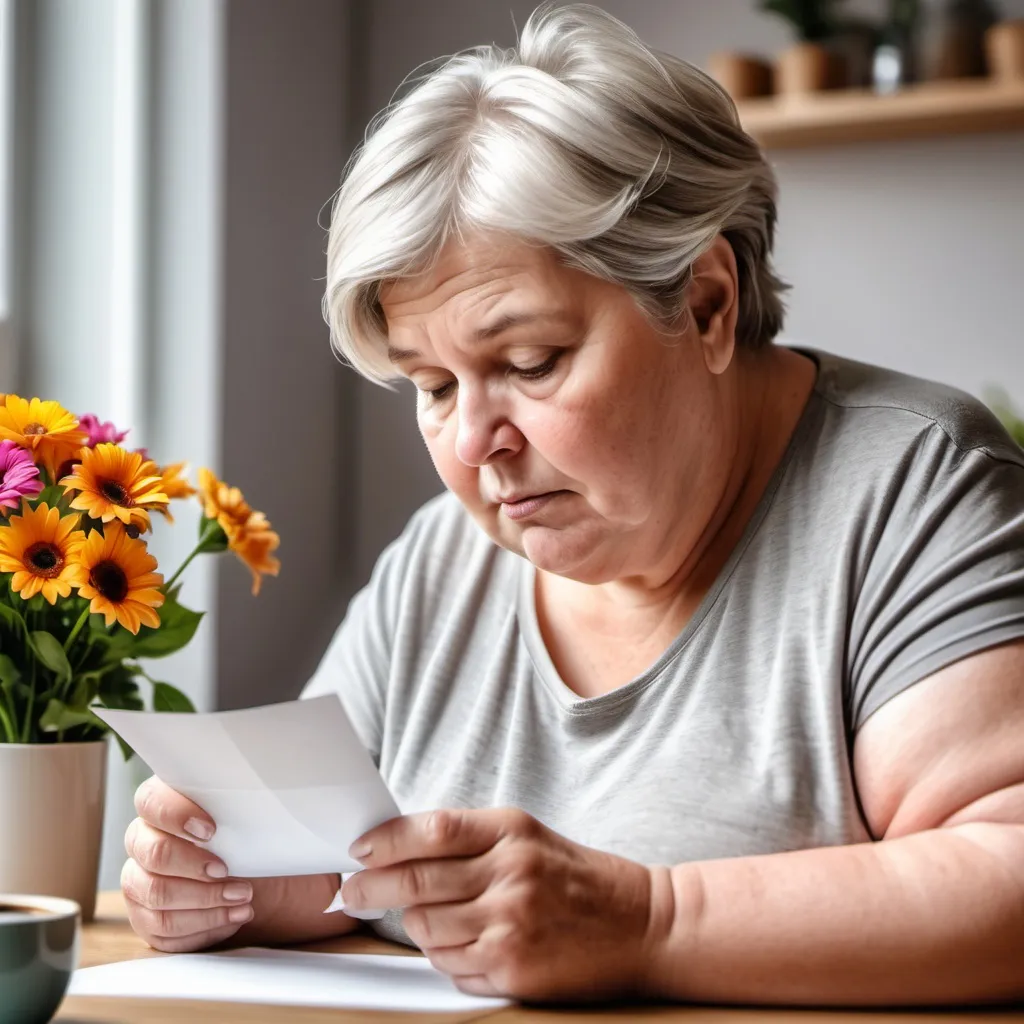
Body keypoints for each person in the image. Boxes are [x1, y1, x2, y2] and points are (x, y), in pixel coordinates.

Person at [119, 3, 1024, 1007]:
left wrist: (648, 917)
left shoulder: (912, 486)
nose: (472, 444)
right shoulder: (440, 563)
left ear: (707, 304)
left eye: (528, 362)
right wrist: (235, 882)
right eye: (433, 384)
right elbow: (347, 867)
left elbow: (1007, 874)